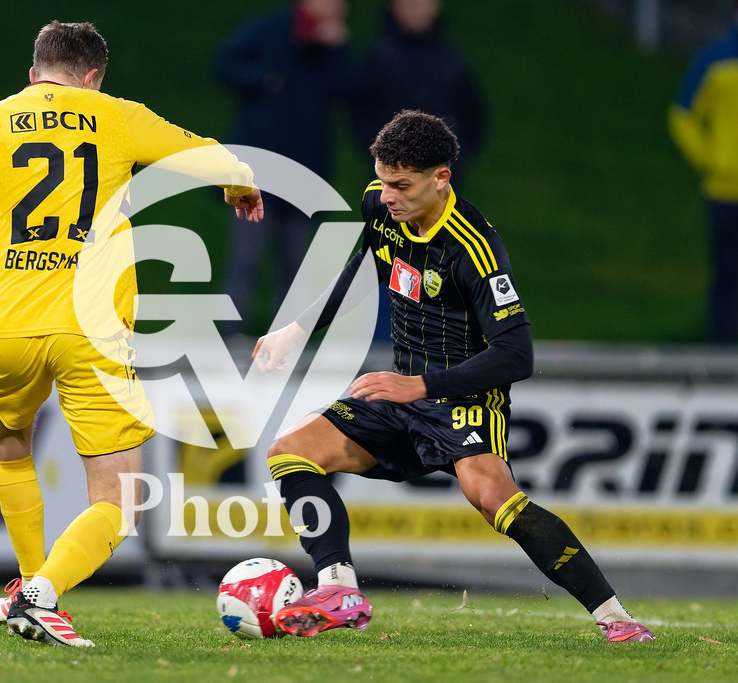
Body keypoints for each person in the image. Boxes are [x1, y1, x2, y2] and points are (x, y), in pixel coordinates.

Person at [0, 20, 263, 648]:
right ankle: (44, 592)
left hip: (6, 319)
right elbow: (204, 153)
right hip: (91, 326)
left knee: (9, 441)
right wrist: (239, 182)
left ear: (34, 69)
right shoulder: (116, 115)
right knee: (120, 498)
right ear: (93, 75)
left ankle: (25, 583)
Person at [252, 110, 655, 643]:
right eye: (384, 181)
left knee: (495, 499)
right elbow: (366, 263)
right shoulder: (381, 204)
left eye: (403, 185)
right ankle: (338, 587)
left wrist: (421, 387)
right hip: (401, 391)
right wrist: (297, 329)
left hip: (463, 395)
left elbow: (517, 354)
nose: (388, 196)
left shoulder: (474, 249)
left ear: (441, 178)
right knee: (289, 452)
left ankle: (617, 620)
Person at [349, 0, 488, 343]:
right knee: (390, 263)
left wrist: (456, 156)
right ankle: (384, 350)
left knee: (442, 270)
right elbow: (360, 114)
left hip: (439, 196)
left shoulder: (450, 58)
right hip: (395, 193)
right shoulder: (380, 56)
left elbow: (474, 115)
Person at [213, 0, 351, 338]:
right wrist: (265, 79)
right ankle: (230, 336)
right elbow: (225, 65)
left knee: (295, 263)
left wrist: (338, 49)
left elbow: (350, 90)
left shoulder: (333, 47)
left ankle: (284, 341)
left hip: (306, 171)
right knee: (245, 257)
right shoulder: (271, 28)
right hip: (258, 168)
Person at [668, 2, 738, 344]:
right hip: (724, 187)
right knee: (727, 273)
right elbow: (682, 115)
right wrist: (710, 158)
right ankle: (724, 352)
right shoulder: (713, 59)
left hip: (722, 185)